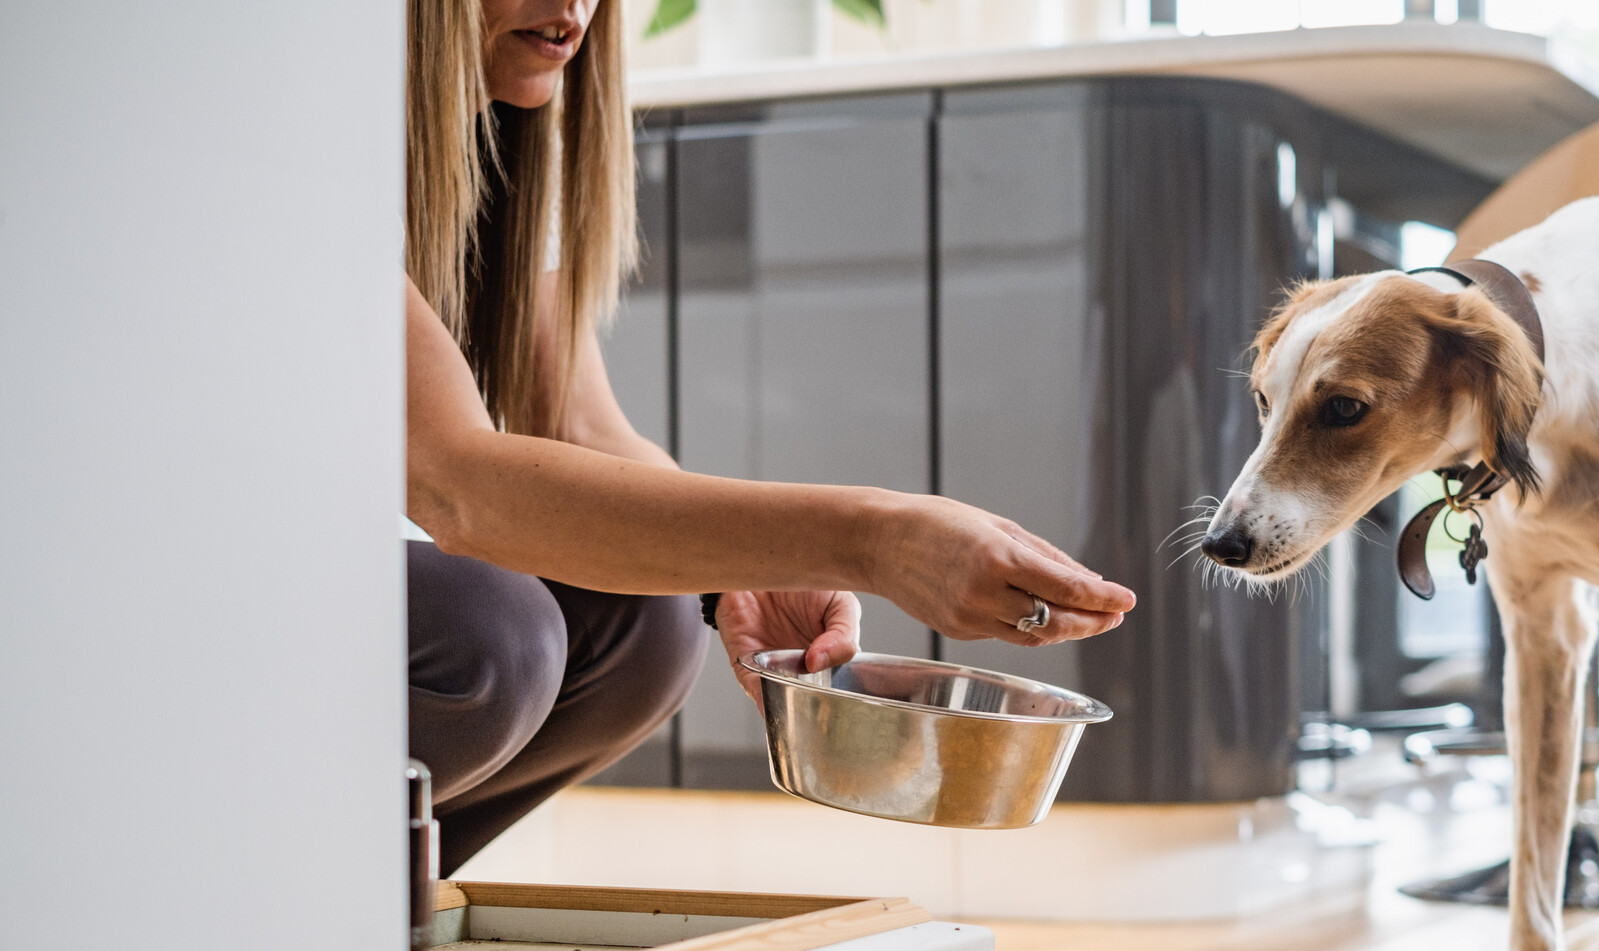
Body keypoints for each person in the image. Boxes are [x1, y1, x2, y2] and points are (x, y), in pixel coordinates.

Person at [404, 0, 1136, 874]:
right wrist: (872, 539)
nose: (573, 6)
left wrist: (740, 576)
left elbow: (578, 425)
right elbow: (464, 489)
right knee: (497, 639)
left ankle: (358, 910)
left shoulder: (508, 138)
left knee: (649, 627)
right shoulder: (299, 127)